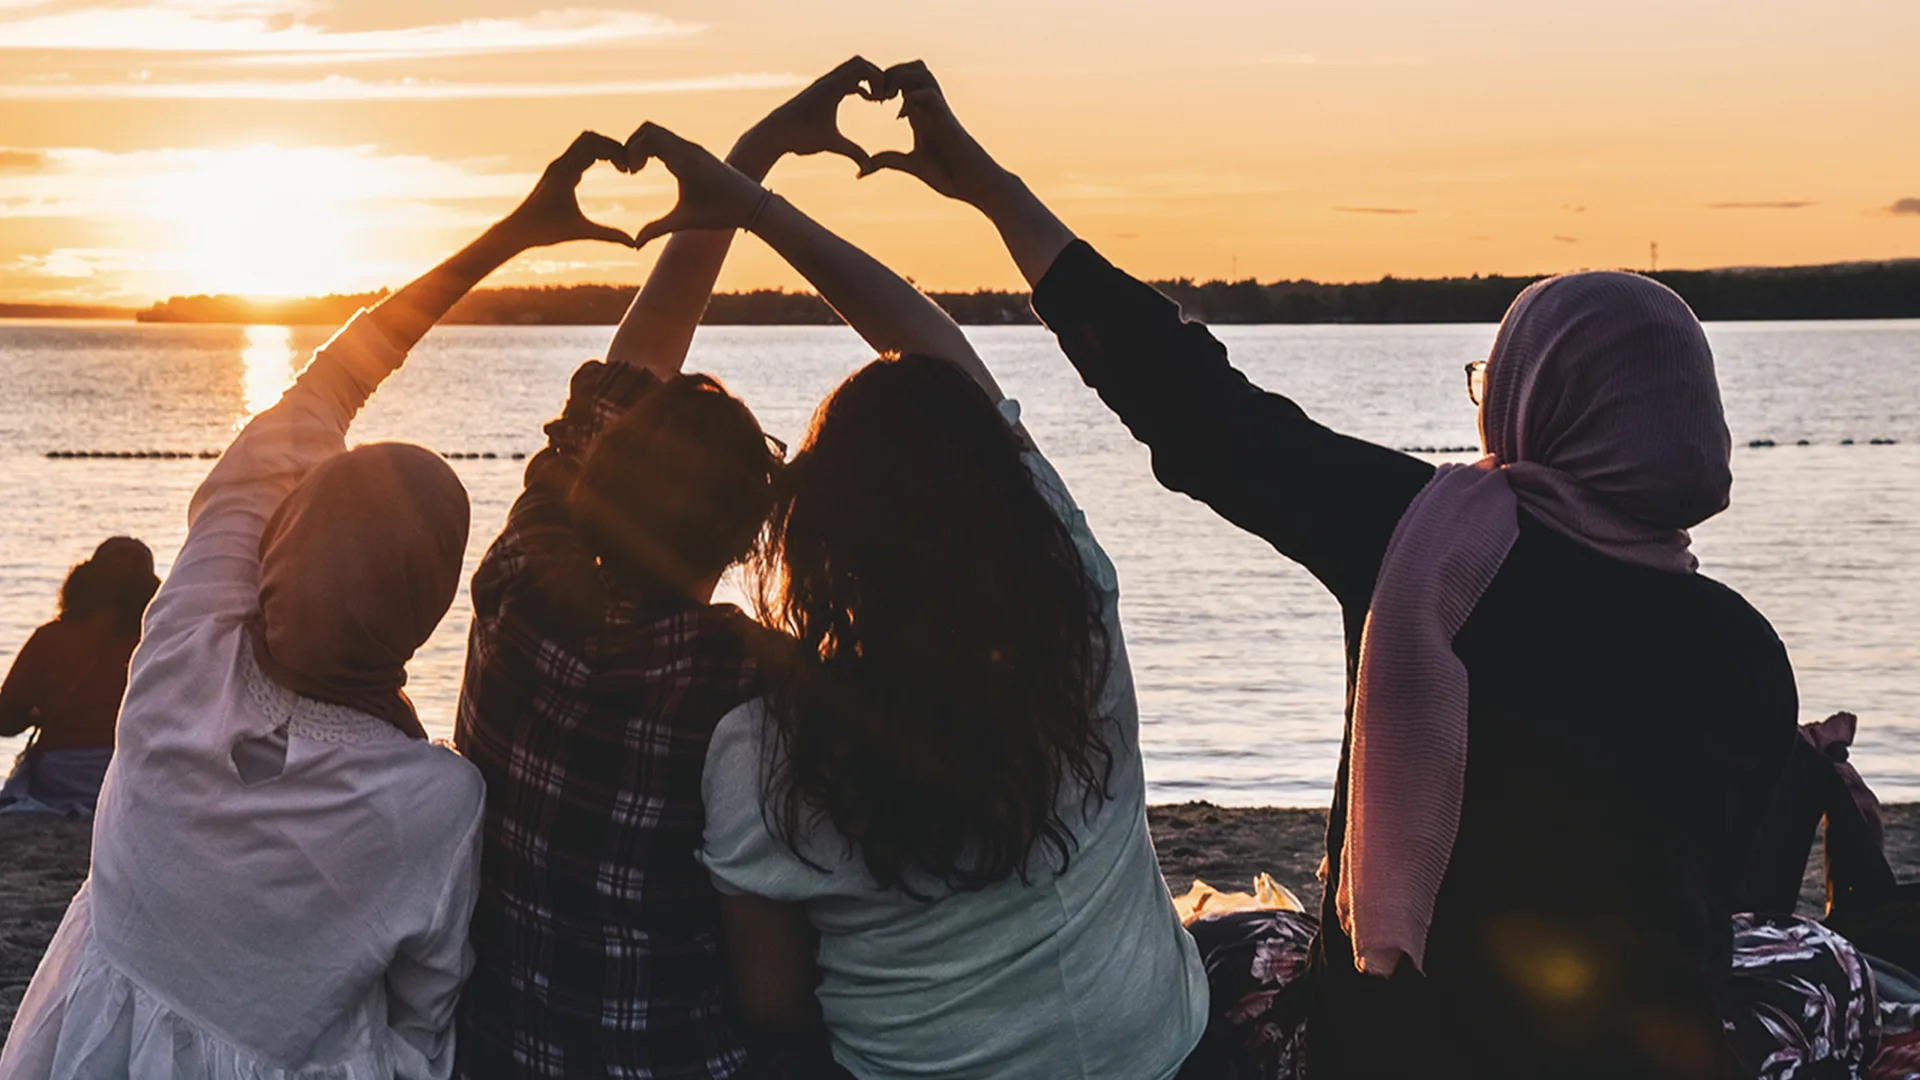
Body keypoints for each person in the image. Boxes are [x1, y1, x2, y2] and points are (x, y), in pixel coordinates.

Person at [862, 61, 1875, 1079]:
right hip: (1640, 1048)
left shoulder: (1423, 540)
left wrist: (990, 191)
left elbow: (1189, 400)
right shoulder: (1744, 651)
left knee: (1228, 951)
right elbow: (1725, 901)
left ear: (1544, 402)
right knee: (1827, 962)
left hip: (1389, 1048)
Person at [0, 133, 637, 1080]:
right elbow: (426, 1011)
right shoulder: (434, 798)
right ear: (421, 624)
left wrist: (511, 232)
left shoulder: (184, 641)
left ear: (270, 553)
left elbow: (330, 383)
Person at [626, 120, 1210, 1080]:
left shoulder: (764, 749)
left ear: (817, 537)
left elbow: (773, 1011)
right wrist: (762, 212)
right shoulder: (1078, 617)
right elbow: (948, 371)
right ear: (996, 499)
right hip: (1162, 1058)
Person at [451, 60, 876, 1080]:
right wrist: (752, 171)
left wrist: (745, 162)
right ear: (743, 541)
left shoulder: (518, 581)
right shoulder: (756, 679)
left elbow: (625, 371)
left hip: (498, 1054)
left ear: (597, 479)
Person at [0, 537, 159, 817]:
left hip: (62, 776)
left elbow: (5, 721)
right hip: (133, 776)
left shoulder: (50, 637)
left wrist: (38, 714)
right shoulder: (159, 642)